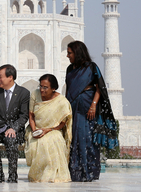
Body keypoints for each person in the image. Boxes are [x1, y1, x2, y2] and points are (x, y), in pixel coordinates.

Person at [65, 40, 117, 182]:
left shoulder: (91, 67)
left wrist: (94, 104)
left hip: (88, 106)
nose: (67, 56)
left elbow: (99, 86)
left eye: (69, 53)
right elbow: (68, 89)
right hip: (74, 106)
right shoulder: (70, 69)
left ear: (77, 52)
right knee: (74, 137)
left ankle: (89, 172)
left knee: (87, 138)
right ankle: (75, 172)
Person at [0, 64, 30, 183]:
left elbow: (23, 115)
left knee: (11, 139)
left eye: (0, 77)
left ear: (10, 77)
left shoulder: (23, 93)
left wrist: (14, 128)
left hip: (14, 130)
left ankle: (12, 175)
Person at [24, 74, 72, 183]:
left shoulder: (62, 101)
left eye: (45, 87)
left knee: (53, 141)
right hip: (36, 128)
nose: (42, 90)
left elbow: (62, 123)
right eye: (40, 86)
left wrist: (48, 130)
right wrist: (34, 130)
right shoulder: (35, 94)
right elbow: (31, 116)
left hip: (53, 130)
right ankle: (38, 175)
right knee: (38, 142)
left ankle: (52, 175)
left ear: (53, 88)